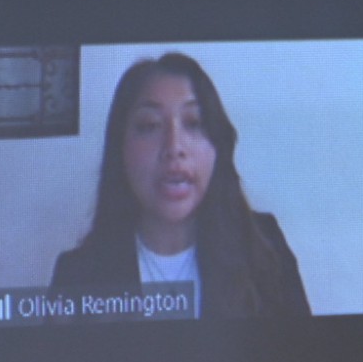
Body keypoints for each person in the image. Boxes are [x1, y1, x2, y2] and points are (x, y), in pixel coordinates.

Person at [51, 52, 310, 318]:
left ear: (218, 145)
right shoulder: (76, 275)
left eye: (194, 123)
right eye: (150, 125)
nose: (174, 147)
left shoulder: (266, 249)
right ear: (121, 148)